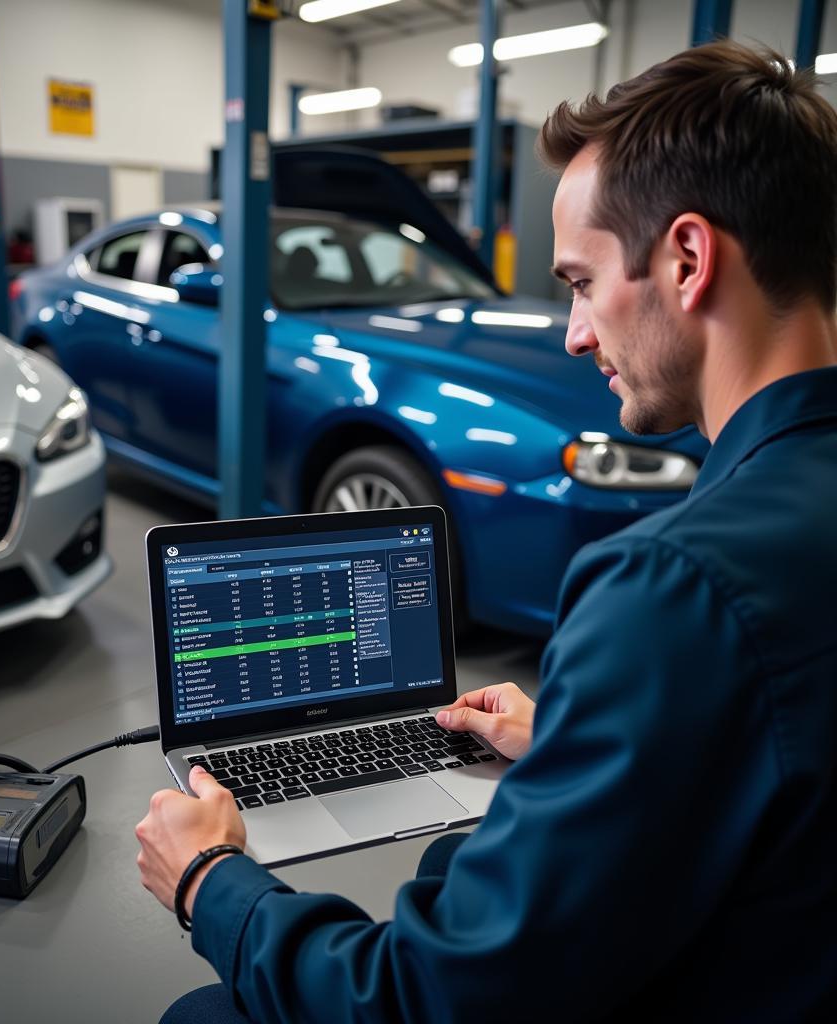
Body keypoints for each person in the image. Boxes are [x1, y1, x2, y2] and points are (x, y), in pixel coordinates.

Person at [136, 40, 837, 1022]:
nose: (574, 332)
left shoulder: (670, 587)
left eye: (582, 282)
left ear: (686, 257)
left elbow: (424, 999)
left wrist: (210, 882)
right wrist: (579, 738)